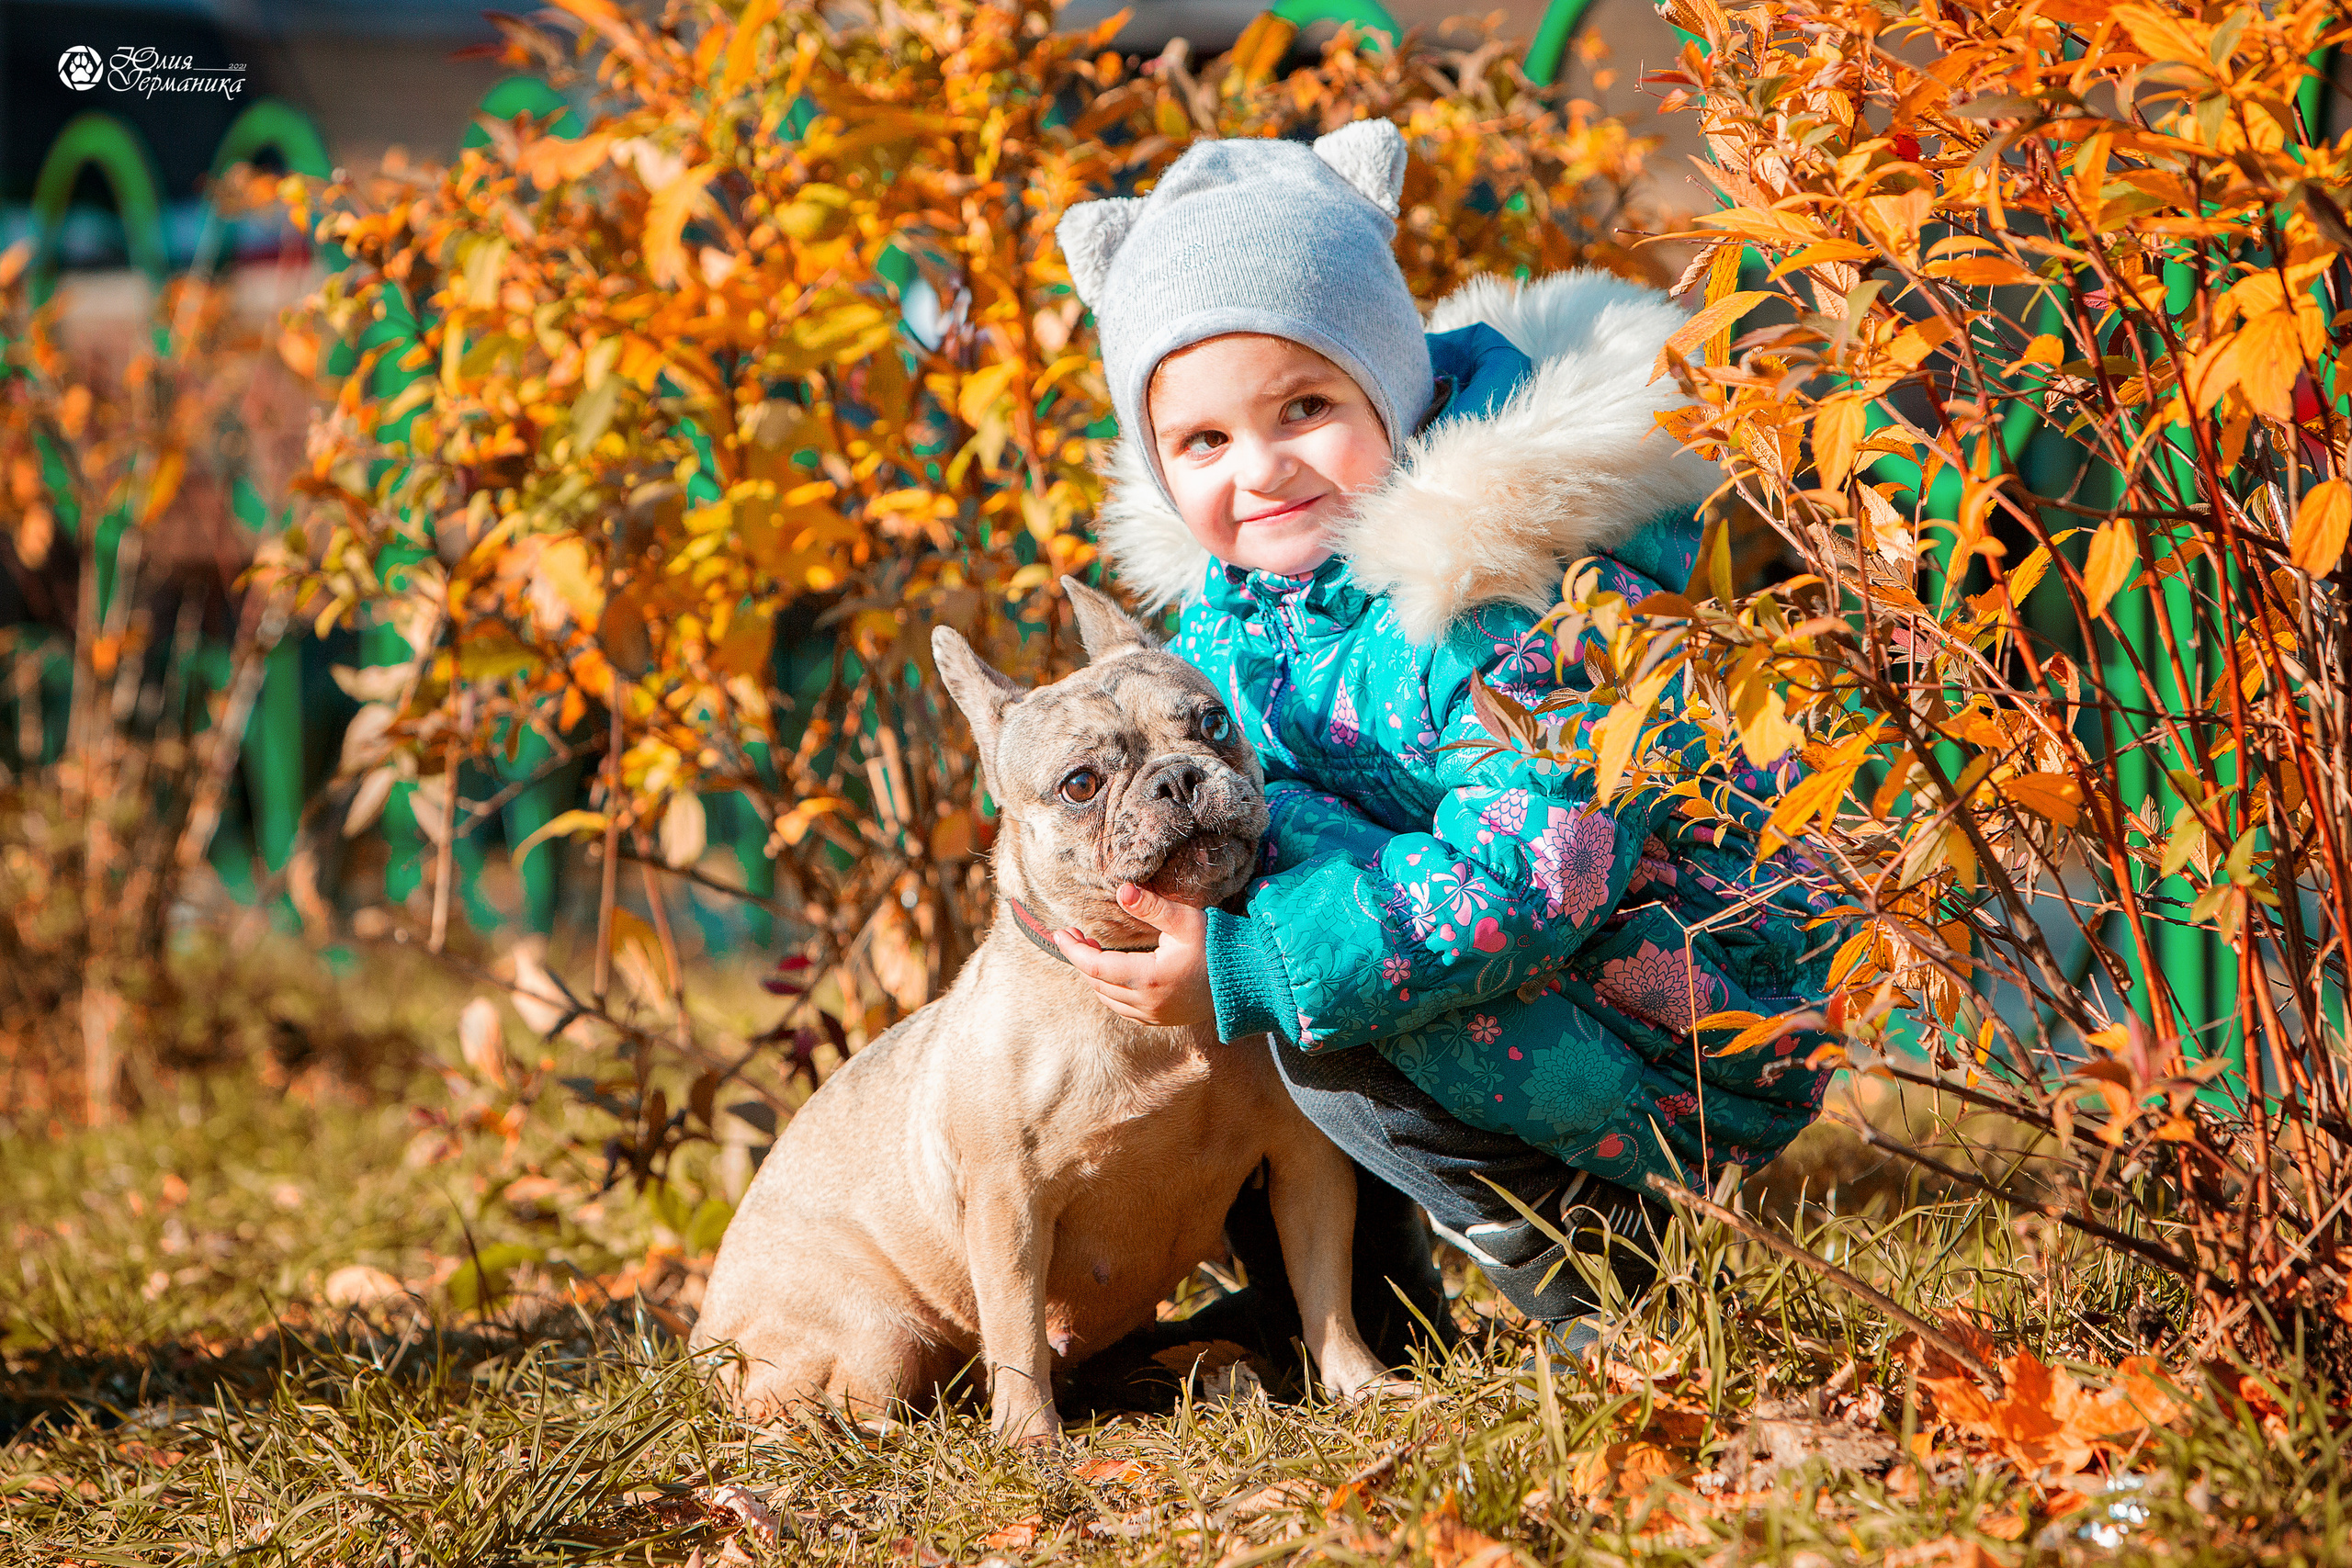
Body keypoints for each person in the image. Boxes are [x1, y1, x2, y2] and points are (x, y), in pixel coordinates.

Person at [1046, 121, 1839, 1348]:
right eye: (1202, 441)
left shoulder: (1481, 592)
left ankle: (1597, 1265)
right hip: (1560, 971)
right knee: (1237, 930)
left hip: (1689, 1000)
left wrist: (1253, 964)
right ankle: (1368, 1308)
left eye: (1304, 407)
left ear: (1393, 387)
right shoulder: (1240, 611)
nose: (1259, 468)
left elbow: (1545, 869)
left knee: (1293, 984)